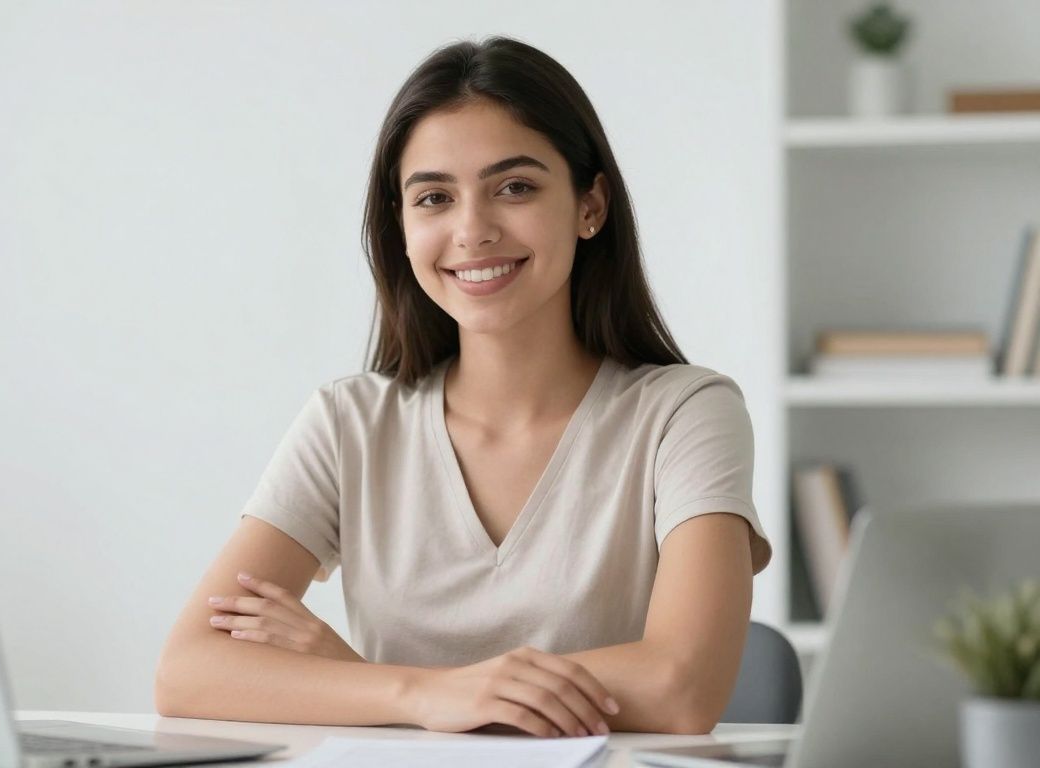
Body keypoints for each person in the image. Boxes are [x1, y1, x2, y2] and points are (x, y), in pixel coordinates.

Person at [155, 35, 771, 738]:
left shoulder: (686, 414)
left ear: (589, 205)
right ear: (403, 225)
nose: (472, 229)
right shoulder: (348, 424)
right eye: (435, 198)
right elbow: (187, 672)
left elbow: (682, 687)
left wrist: (365, 683)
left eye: (515, 187)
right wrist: (418, 696)